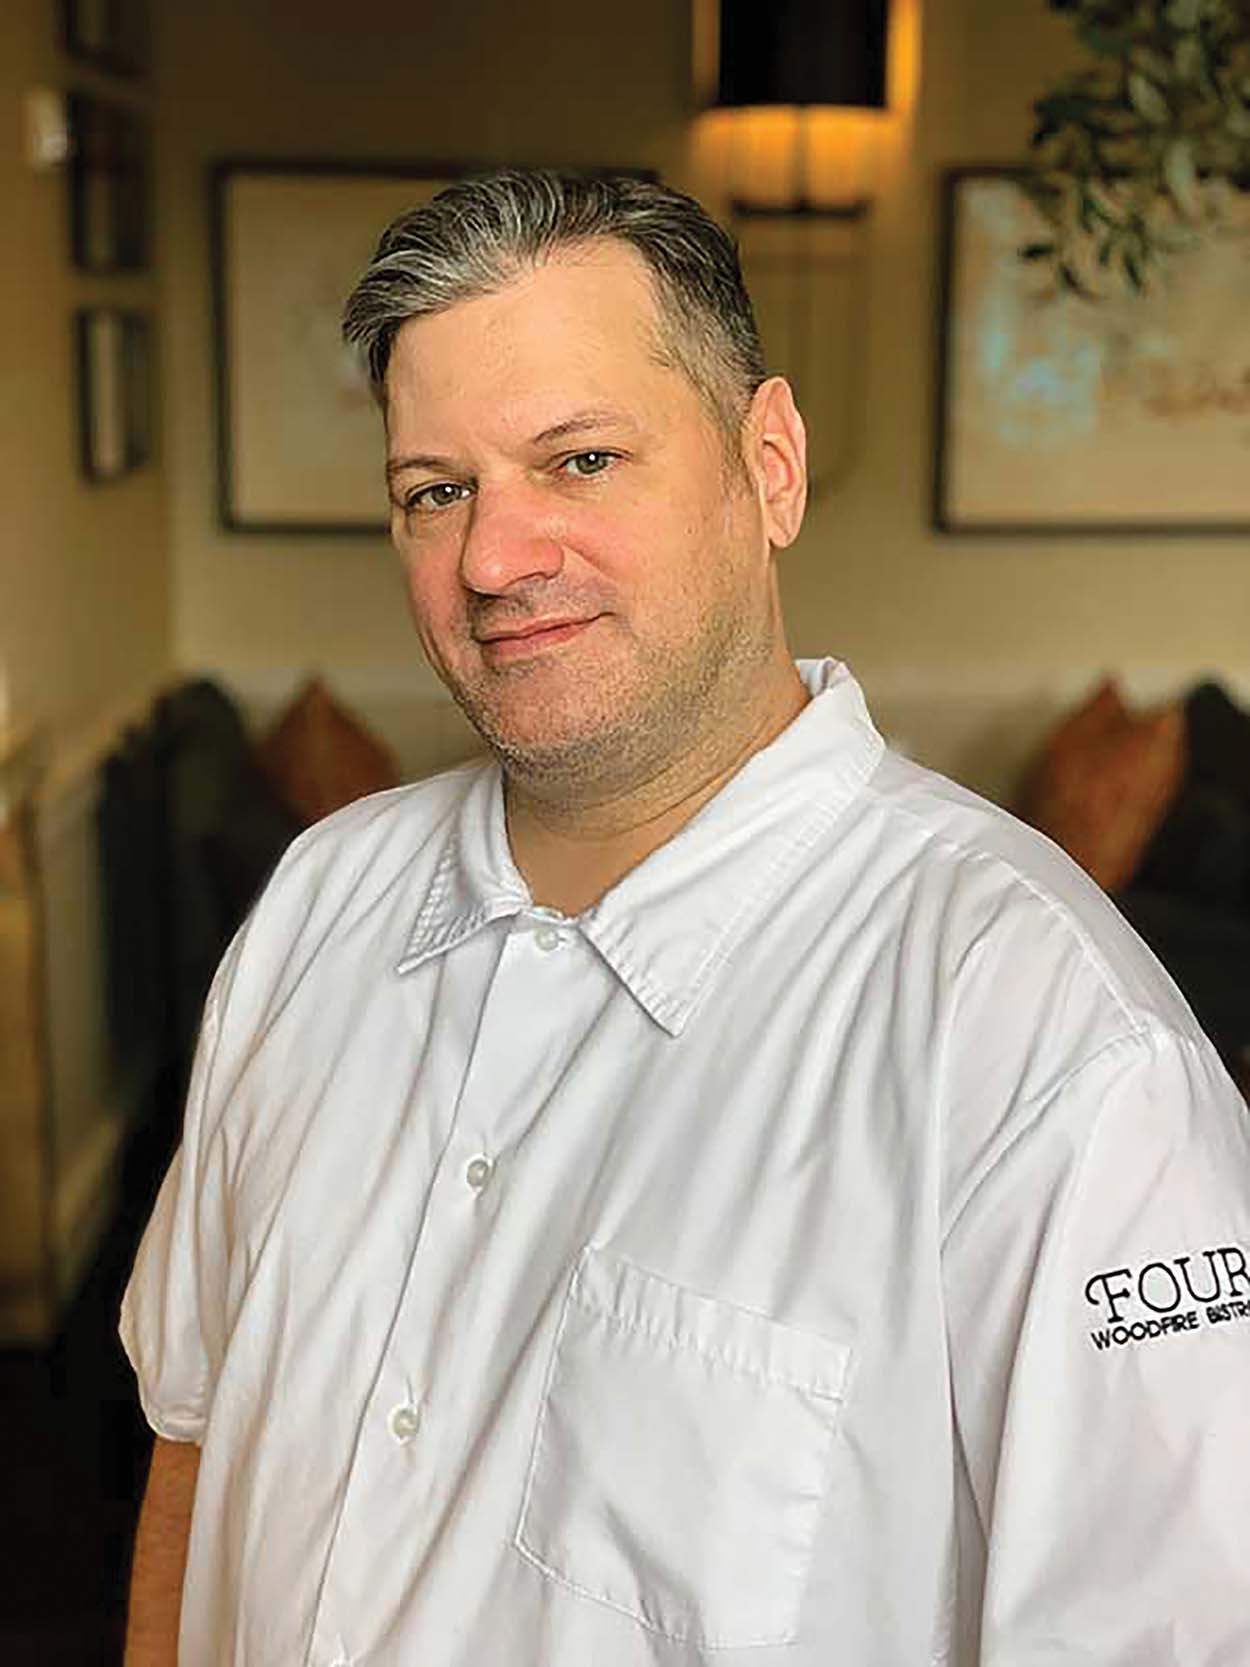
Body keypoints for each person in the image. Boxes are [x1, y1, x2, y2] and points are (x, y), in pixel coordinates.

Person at [120, 170, 1250, 1666]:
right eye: (436, 490)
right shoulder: (317, 906)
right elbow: (194, 1446)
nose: (493, 559)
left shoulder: (1047, 1042)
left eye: (580, 459)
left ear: (768, 469)